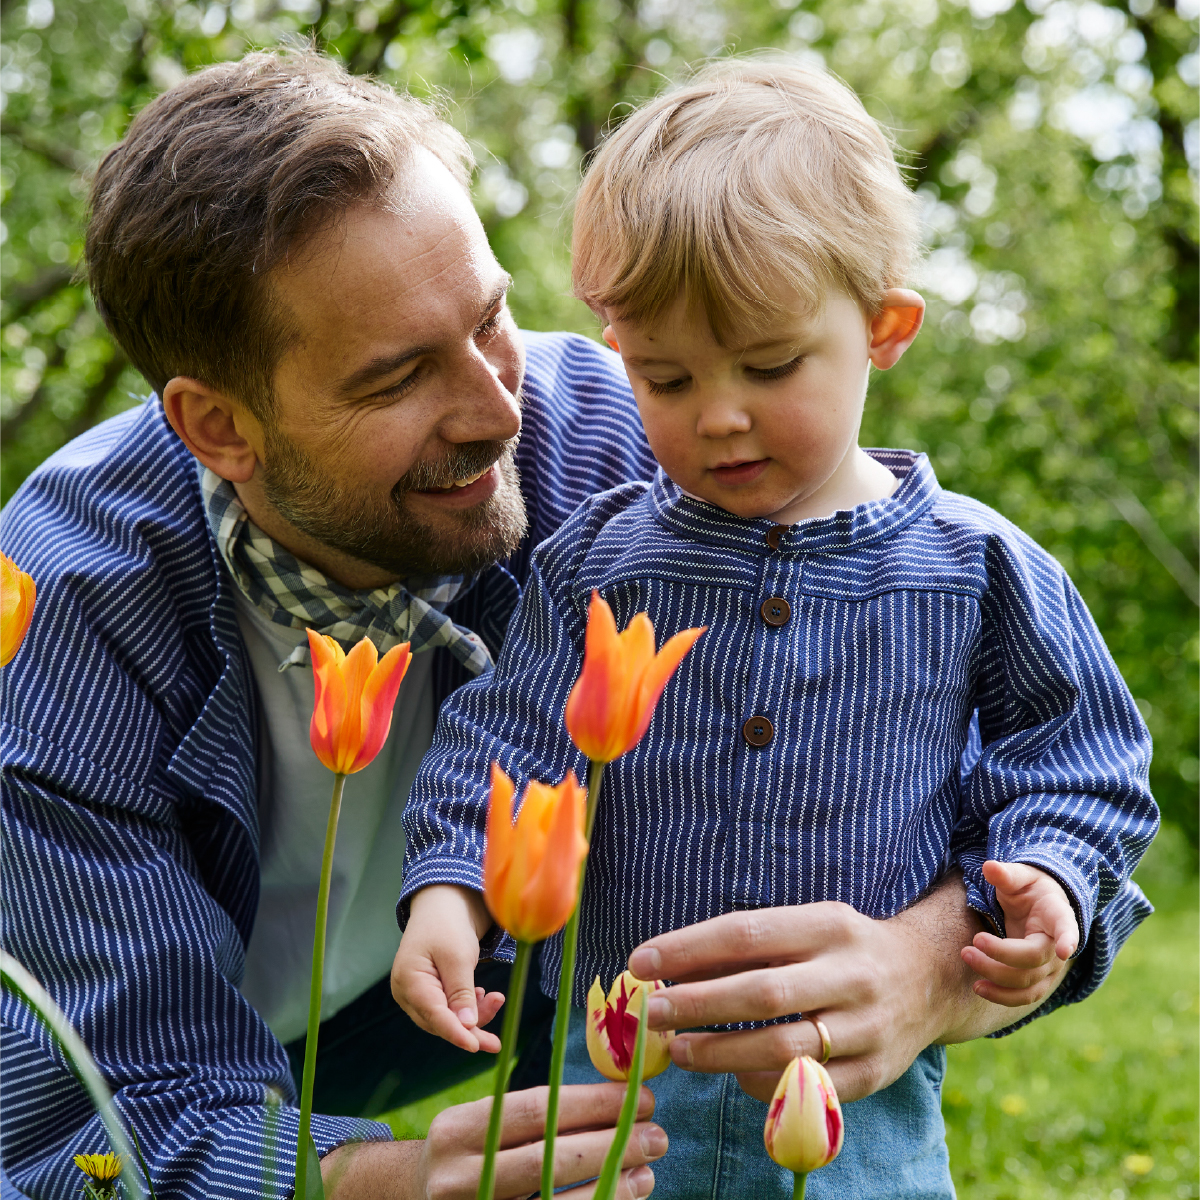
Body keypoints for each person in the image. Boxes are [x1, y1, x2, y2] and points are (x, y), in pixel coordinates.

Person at [392, 59, 1158, 1199]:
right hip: (607, 1090)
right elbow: (502, 747)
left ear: (885, 326)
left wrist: (1049, 872)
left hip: (855, 1105)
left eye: (770, 364)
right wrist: (451, 893)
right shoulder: (597, 561)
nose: (721, 415)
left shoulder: (975, 564)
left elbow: (1084, 762)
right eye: (666, 377)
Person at [0, 49, 669, 1200]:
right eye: (398, 377)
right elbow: (117, 1108)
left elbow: (953, 732)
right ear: (218, 429)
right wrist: (399, 1179)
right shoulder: (58, 599)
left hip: (470, 982)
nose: (499, 408)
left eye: (493, 316)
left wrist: (928, 965)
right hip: (175, 1011)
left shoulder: (620, 454)